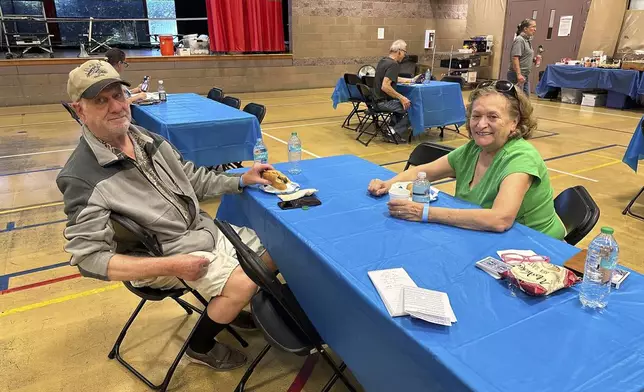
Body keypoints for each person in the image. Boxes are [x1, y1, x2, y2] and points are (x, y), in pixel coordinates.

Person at [57, 59, 276, 370]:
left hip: (200, 232)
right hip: (161, 256)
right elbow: (88, 258)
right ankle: (200, 346)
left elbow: (194, 179)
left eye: (118, 95)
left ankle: (228, 305)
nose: (116, 107)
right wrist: (173, 265)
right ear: (80, 110)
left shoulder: (147, 139)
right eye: (100, 101)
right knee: (244, 282)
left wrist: (241, 179)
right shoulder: (81, 176)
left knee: (279, 249)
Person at [368, 81, 566, 240]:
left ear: (514, 123)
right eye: (476, 116)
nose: (481, 124)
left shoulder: (521, 157)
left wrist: (424, 213)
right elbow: (422, 172)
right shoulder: (473, 149)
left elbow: (500, 219)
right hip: (491, 238)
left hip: (536, 246)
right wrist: (387, 184)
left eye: (492, 117)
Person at [373, 39, 418, 137]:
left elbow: (392, 77)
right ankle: (394, 133)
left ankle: (390, 128)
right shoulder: (394, 64)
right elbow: (385, 86)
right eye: (404, 52)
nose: (405, 55)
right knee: (413, 108)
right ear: (399, 52)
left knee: (402, 105)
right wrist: (402, 98)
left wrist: (410, 80)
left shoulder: (383, 61)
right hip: (383, 103)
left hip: (375, 101)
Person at [507, 19, 537, 96]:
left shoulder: (527, 40)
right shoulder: (519, 40)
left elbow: (524, 55)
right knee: (517, 100)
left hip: (525, 75)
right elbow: (515, 58)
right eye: (533, 27)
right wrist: (519, 74)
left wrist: (533, 59)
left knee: (525, 100)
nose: (535, 29)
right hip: (517, 75)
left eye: (535, 27)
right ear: (525, 29)